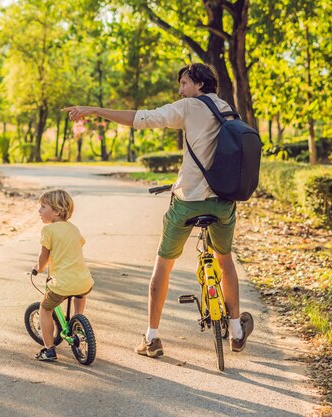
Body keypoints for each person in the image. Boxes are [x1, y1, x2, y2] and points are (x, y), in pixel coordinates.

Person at [61, 63, 253, 358]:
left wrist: (95, 110)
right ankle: (237, 330)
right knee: (225, 259)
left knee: (163, 265)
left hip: (188, 200)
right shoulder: (226, 108)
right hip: (224, 201)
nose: (180, 90)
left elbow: (142, 119)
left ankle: (151, 338)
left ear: (199, 84)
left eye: (184, 83)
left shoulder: (189, 106)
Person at [32, 189, 94, 361]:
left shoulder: (48, 231)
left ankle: (49, 349)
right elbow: (77, 246)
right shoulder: (74, 229)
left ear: (57, 211)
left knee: (44, 309)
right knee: (79, 293)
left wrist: (39, 267)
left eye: (43, 207)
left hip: (62, 284)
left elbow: (43, 257)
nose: (39, 211)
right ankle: (78, 321)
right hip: (83, 280)